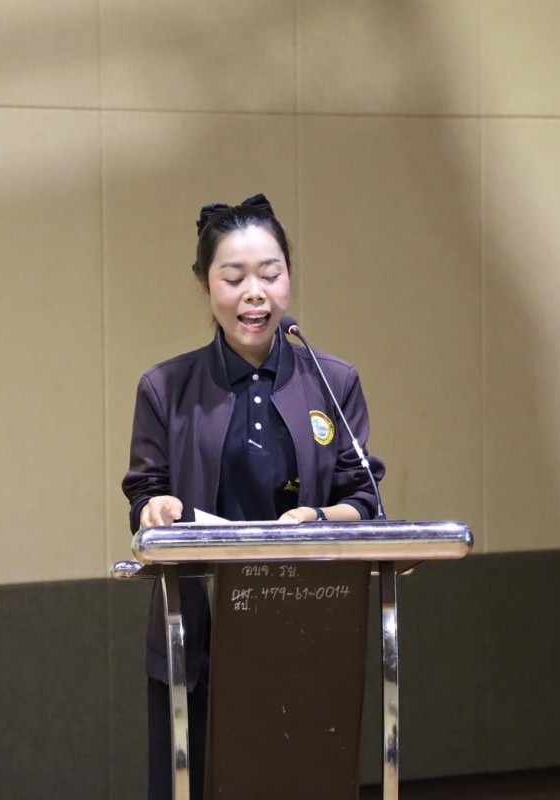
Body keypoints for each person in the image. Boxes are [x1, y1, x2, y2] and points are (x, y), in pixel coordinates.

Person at [121, 193, 385, 800]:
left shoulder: (333, 381)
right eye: (234, 277)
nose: (255, 293)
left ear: (289, 276)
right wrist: (155, 510)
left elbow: (363, 497)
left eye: (270, 274)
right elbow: (145, 490)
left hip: (306, 624)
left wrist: (319, 517)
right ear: (204, 285)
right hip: (199, 630)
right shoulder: (165, 387)